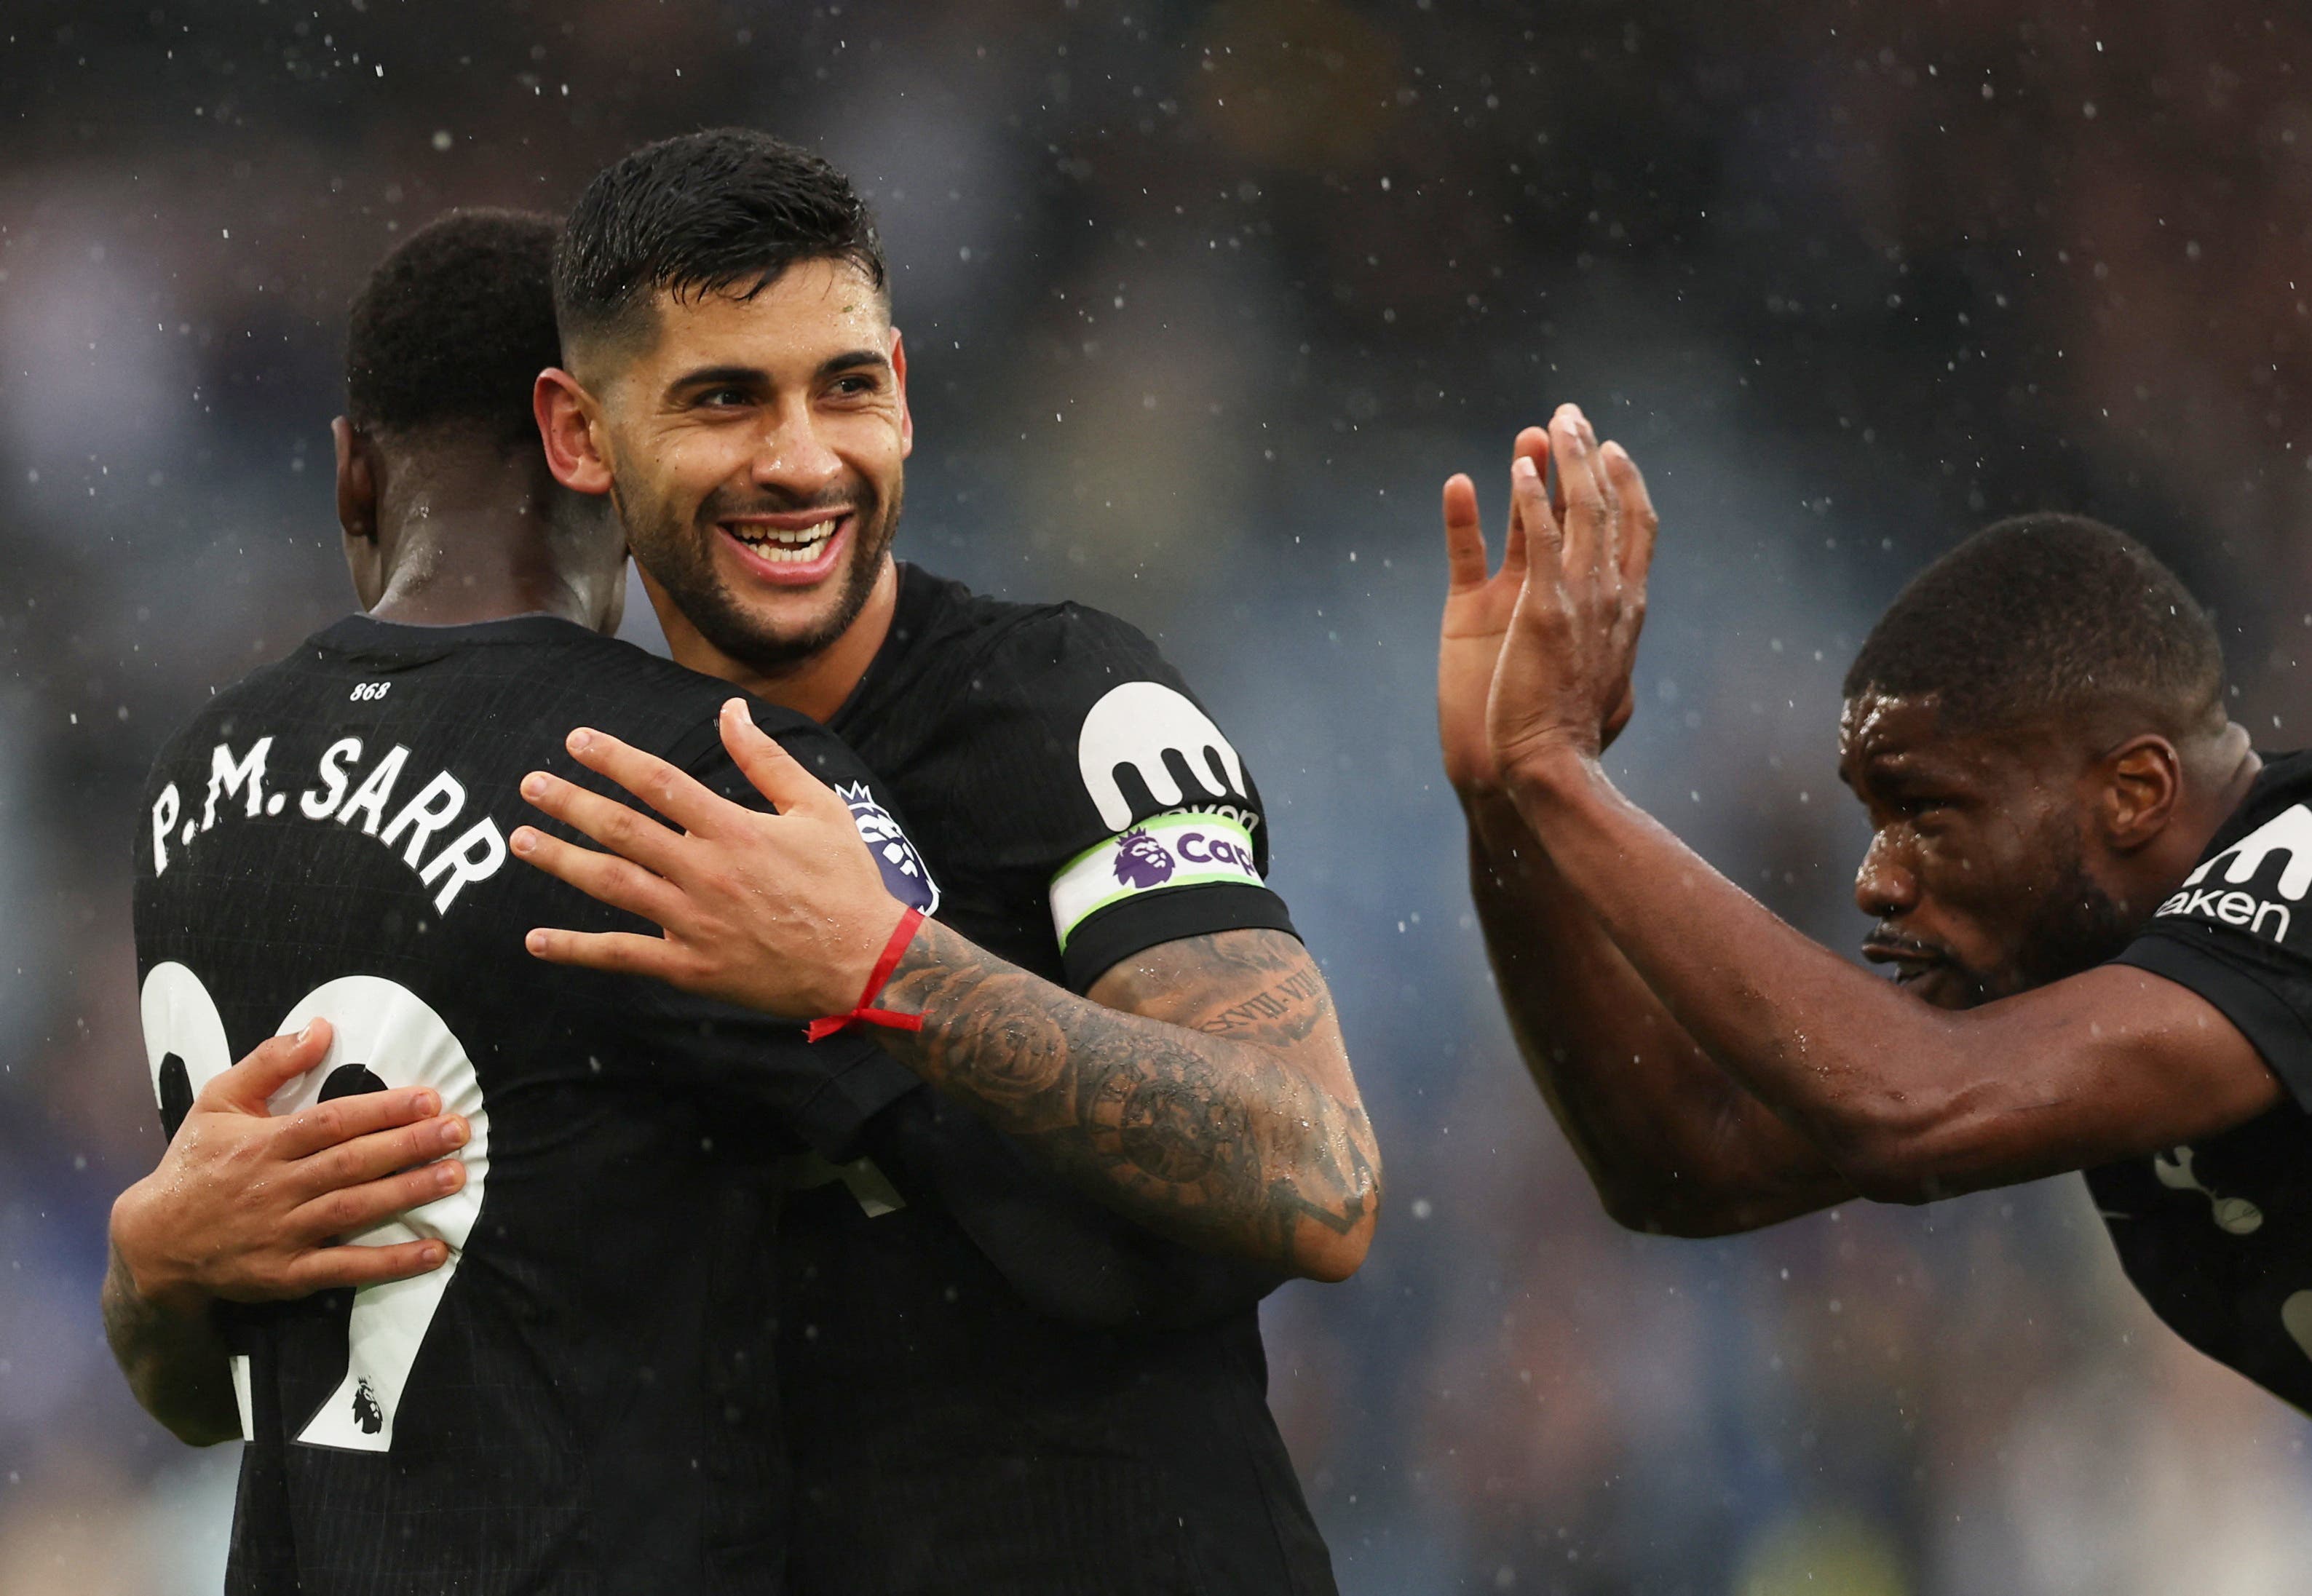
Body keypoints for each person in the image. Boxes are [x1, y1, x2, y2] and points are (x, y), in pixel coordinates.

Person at [515, 128, 1379, 1592]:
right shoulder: (561, 798)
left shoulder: (1071, 707)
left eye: (843, 388)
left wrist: (884, 966)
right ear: (580, 433)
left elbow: (1318, 1172)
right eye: (724, 399)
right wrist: (167, 1278)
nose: (800, 459)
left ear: (901, 395)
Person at [109, 209, 936, 1594]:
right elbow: (996, 1204)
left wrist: (142, 1261)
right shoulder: (702, 777)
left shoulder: (197, 779)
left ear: (348, 476)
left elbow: (201, 1390)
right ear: (596, 450)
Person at [1441, 402, 2312, 1448]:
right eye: (1875, 820)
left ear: (2134, 790)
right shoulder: (2082, 975)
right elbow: (1686, 1163)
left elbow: (1907, 1100)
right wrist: (1506, 806)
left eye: (1927, 813)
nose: (1875, 882)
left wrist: (1560, 772)